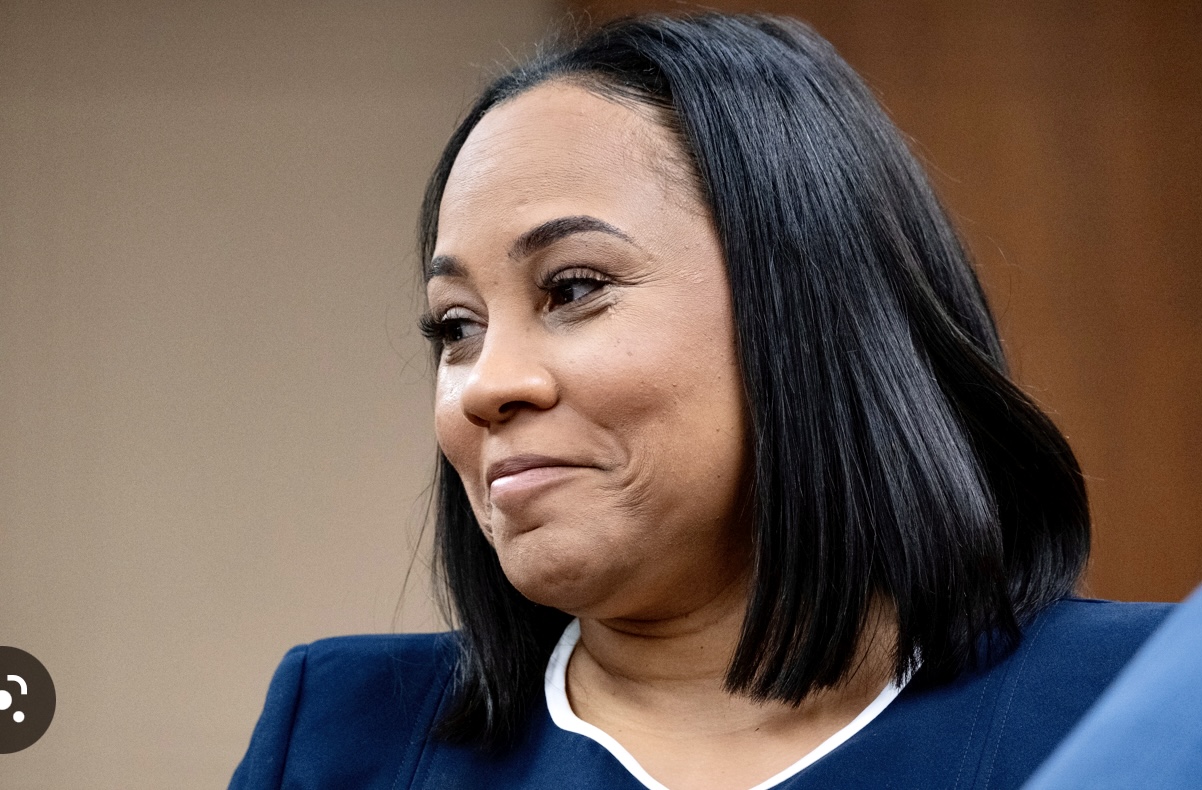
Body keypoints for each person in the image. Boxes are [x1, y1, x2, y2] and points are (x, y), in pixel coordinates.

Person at [230, 13, 1171, 790]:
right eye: (456, 327)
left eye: (572, 287)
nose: (486, 385)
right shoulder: (345, 735)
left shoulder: (1145, 706)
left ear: (809, 303)